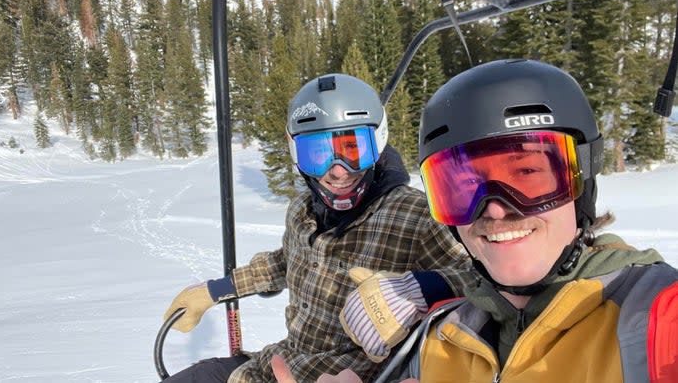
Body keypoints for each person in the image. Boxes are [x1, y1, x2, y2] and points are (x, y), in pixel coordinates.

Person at [271, 59, 678, 383]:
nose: (496, 209)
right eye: (463, 188)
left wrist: (429, 285)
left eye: (528, 174)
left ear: (581, 178)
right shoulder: (437, 341)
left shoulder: (653, 319)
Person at [159, 73, 475, 383]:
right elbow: (285, 262)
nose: (338, 171)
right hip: (274, 364)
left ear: (377, 143)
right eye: (318, 154)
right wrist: (215, 290)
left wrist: (421, 289)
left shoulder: (414, 215)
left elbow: (482, 280)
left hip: (352, 376)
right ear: (297, 154)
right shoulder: (302, 210)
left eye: (353, 150)